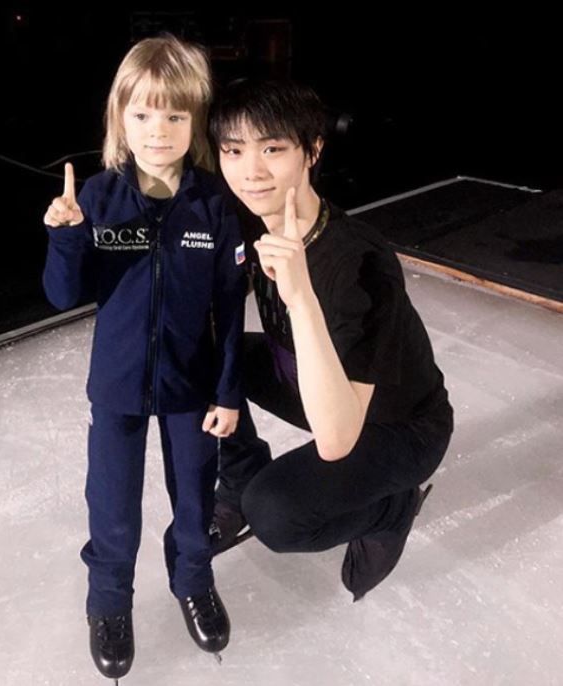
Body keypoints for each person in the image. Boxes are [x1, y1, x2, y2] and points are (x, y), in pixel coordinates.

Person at [42, 35, 246, 681]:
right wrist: (66, 238)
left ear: (196, 121)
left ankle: (194, 582)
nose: (159, 131)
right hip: (118, 386)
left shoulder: (214, 204)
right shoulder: (98, 199)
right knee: (113, 507)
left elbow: (230, 305)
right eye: (143, 114)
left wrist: (228, 392)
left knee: (196, 501)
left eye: (175, 115)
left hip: (192, 385)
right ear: (120, 119)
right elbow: (62, 296)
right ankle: (109, 601)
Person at [208, 78, 454, 602]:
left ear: (313, 150)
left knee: (274, 513)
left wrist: (300, 297)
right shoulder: (249, 217)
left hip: (396, 426)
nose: (251, 172)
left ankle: (392, 509)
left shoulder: (358, 263)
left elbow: (337, 437)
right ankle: (239, 474)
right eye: (234, 151)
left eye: (272, 149)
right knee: (194, 357)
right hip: (307, 383)